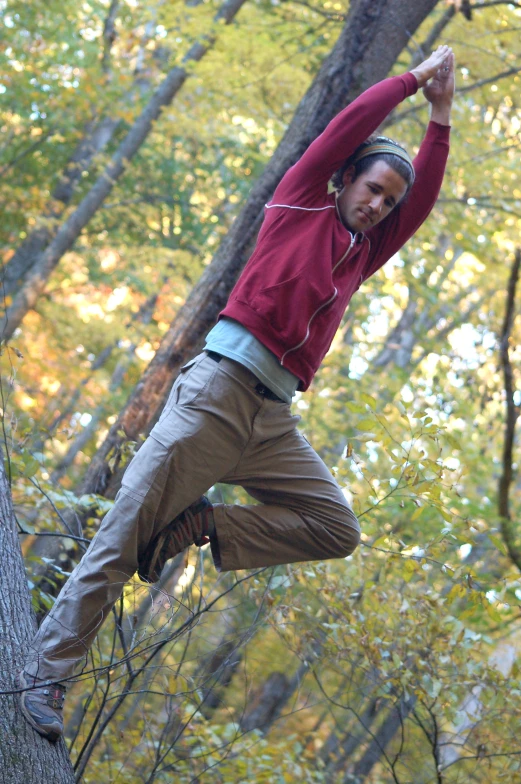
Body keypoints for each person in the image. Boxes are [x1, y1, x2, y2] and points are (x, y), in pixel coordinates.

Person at [19, 46, 455, 741]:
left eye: (387, 201)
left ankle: (199, 524)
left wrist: (441, 117)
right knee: (120, 539)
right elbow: (345, 125)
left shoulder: (364, 252)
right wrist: (411, 81)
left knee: (335, 528)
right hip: (215, 393)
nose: (376, 205)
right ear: (342, 180)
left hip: (270, 420)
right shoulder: (299, 201)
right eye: (370, 188)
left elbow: (421, 204)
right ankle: (45, 678)